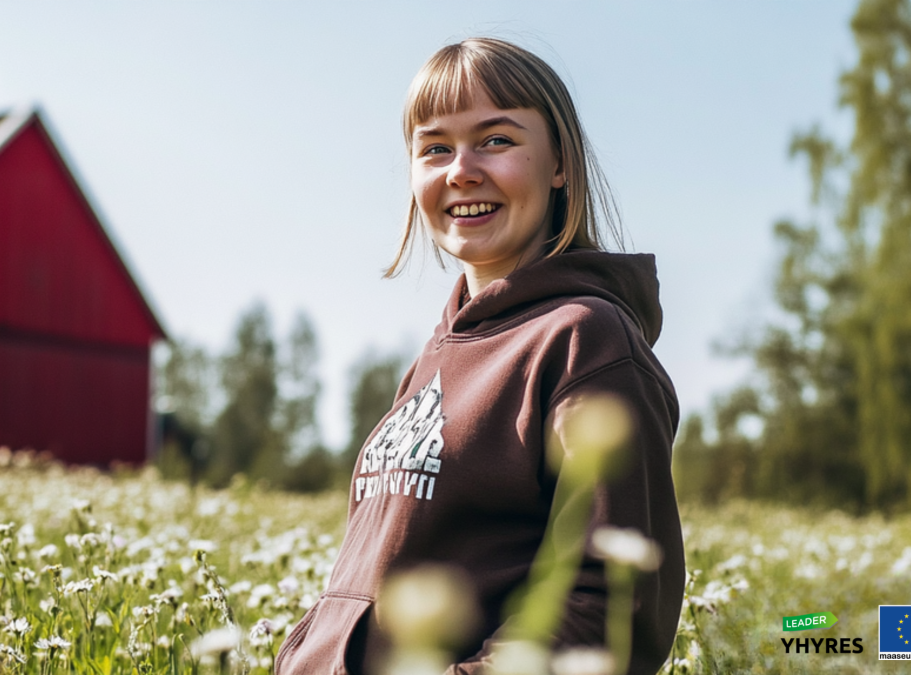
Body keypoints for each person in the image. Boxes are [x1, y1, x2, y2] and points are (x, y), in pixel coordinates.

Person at [274, 37, 684, 675]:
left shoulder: (585, 339)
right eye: (435, 148)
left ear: (560, 164)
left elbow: (608, 605)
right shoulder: (435, 356)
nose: (461, 170)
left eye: (496, 140)